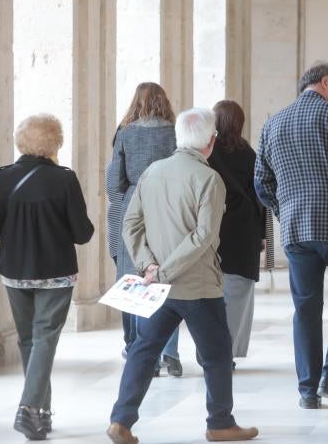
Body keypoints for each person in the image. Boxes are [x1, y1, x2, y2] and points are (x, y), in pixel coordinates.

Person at [107, 108, 258, 444]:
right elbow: (204, 237)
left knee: (143, 351)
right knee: (218, 354)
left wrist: (149, 266)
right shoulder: (208, 179)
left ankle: (121, 420)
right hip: (197, 287)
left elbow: (130, 224)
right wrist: (165, 271)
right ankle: (220, 423)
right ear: (210, 142)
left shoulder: (152, 173)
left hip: (158, 287)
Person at [254, 61, 328, 410]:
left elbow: (261, 182)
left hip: (295, 228)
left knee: (305, 308)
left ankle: (308, 390)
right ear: (324, 83)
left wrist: (284, 209)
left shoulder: (273, 123)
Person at [0, 114, 94, 440]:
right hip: (56, 273)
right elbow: (82, 233)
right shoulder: (64, 179)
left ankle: (39, 415)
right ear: (55, 141)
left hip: (15, 272)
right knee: (45, 338)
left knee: (29, 339)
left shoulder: (4, 177)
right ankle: (30, 408)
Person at [106, 82, 182, 377]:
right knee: (165, 277)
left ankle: (139, 349)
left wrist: (124, 202)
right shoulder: (175, 133)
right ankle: (167, 351)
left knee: (133, 277)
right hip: (168, 206)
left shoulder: (125, 133)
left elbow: (114, 182)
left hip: (132, 205)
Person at [208, 100, 265, 365]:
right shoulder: (250, 153)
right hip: (245, 233)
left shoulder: (209, 153)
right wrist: (263, 235)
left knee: (210, 294)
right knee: (239, 295)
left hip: (215, 230)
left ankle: (212, 350)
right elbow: (262, 195)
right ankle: (227, 352)